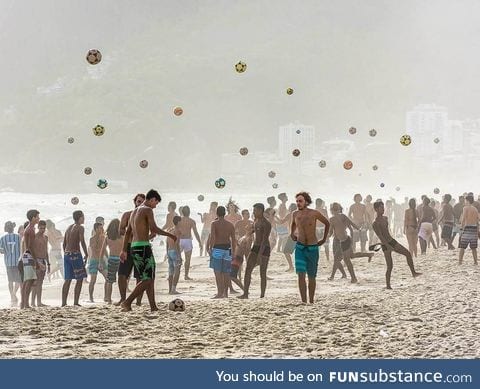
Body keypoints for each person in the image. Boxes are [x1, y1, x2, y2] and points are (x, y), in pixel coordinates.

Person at [120, 189, 177, 312]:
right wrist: (170, 235)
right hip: (143, 247)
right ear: (152, 199)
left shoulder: (134, 212)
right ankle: (127, 302)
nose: (155, 206)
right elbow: (154, 228)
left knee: (148, 277)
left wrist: (124, 250)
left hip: (134, 247)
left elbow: (128, 232)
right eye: (156, 203)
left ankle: (153, 306)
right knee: (148, 279)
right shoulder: (147, 210)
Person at [290, 192, 330, 304]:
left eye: (300, 201)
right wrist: (291, 233)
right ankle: (303, 301)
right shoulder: (295, 214)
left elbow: (327, 223)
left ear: (306, 202)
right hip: (300, 247)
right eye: (297, 201)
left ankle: (311, 300)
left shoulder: (314, 213)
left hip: (312, 247)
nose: (298, 203)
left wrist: (323, 239)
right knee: (301, 274)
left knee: (312, 276)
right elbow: (293, 224)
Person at [372, 201, 421, 289]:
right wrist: (387, 246)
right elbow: (380, 236)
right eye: (380, 208)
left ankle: (413, 272)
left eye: (383, 207)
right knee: (390, 266)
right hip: (385, 244)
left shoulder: (386, 218)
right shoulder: (375, 223)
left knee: (407, 253)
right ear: (376, 209)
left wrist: (391, 243)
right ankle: (388, 285)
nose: (383, 209)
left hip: (392, 241)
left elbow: (387, 232)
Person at [328, 203, 373, 282]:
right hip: (346, 239)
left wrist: (323, 237)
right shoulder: (343, 216)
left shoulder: (332, 219)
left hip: (342, 241)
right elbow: (353, 225)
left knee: (343, 260)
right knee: (351, 256)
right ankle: (368, 254)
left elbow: (331, 232)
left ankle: (352, 278)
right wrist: (358, 229)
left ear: (332, 210)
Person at [115, 193, 145, 306]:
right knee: (122, 274)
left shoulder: (146, 216)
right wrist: (130, 233)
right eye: (138, 201)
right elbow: (121, 230)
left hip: (140, 247)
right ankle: (123, 299)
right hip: (127, 247)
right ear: (135, 202)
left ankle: (138, 301)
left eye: (142, 202)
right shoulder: (127, 215)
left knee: (140, 276)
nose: (140, 204)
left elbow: (151, 232)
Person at [238, 203, 271, 299]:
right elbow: (254, 231)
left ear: (261, 211)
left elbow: (264, 241)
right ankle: (245, 293)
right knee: (248, 269)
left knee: (262, 272)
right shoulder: (256, 221)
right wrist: (249, 231)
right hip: (255, 247)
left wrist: (259, 256)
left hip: (264, 248)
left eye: (255, 210)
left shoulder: (266, 223)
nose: (253, 212)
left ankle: (262, 295)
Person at [208, 206, 236, 298]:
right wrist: (234, 252)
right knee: (226, 272)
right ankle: (226, 293)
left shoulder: (214, 223)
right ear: (225, 213)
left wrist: (210, 248)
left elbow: (213, 237)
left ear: (217, 213)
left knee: (218, 272)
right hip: (228, 249)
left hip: (217, 249)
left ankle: (220, 293)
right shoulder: (230, 225)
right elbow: (234, 240)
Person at [61, 210, 88, 307]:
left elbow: (64, 243)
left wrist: (66, 253)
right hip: (75, 254)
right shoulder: (80, 228)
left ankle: (64, 303)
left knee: (68, 279)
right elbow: (82, 241)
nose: (84, 218)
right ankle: (75, 302)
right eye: (83, 216)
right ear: (80, 217)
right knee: (79, 278)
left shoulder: (68, 227)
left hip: (67, 254)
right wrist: (86, 253)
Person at [20, 209, 40, 309]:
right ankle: (25, 304)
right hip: (29, 255)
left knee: (28, 280)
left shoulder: (29, 228)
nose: (39, 218)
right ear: (33, 218)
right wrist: (36, 260)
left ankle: (23, 303)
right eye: (37, 217)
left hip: (27, 255)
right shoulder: (30, 229)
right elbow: (30, 246)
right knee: (29, 280)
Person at [100, 218, 123, 304]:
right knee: (122, 279)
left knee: (110, 280)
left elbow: (102, 251)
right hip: (121, 260)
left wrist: (100, 262)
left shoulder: (107, 237)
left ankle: (108, 299)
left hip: (112, 259)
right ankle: (122, 298)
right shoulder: (122, 237)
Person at [178, 206, 202, 280]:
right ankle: (186, 275)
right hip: (188, 241)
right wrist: (200, 242)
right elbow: (196, 233)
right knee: (187, 259)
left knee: (177, 258)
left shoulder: (179, 220)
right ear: (189, 212)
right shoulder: (191, 221)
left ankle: (174, 274)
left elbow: (175, 230)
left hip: (180, 240)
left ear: (182, 212)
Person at [0, 221, 21, 306]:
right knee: (18, 280)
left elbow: (0, 250)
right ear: (13, 228)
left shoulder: (3, 238)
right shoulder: (18, 237)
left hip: (8, 262)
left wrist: (5, 251)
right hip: (17, 261)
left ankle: (12, 296)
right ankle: (14, 293)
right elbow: (22, 247)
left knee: (10, 280)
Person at [231, 209, 254, 287]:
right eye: (246, 214)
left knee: (248, 262)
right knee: (239, 262)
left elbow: (253, 234)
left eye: (248, 214)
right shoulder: (239, 222)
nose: (248, 215)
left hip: (248, 243)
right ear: (243, 215)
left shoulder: (251, 223)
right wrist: (236, 240)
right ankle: (240, 278)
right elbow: (234, 232)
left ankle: (248, 278)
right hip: (240, 243)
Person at [31, 220, 50, 307]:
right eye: (41, 228)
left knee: (40, 282)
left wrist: (48, 263)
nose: (42, 229)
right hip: (37, 260)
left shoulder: (46, 237)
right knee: (35, 282)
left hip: (43, 260)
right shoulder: (34, 237)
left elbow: (46, 251)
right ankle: (32, 302)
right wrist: (36, 262)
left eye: (44, 228)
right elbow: (32, 251)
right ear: (38, 227)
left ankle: (39, 302)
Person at [88, 222, 108, 303]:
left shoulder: (104, 238)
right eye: (100, 228)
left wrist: (108, 258)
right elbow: (95, 250)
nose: (102, 229)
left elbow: (104, 250)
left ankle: (106, 296)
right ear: (96, 229)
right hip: (94, 261)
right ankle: (91, 297)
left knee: (107, 278)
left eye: (102, 228)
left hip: (102, 260)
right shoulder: (92, 239)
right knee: (93, 280)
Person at [276, 203, 297, 272]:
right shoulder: (300, 214)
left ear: (290, 209)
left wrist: (275, 217)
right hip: (301, 235)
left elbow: (281, 222)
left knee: (286, 251)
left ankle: (291, 266)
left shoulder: (290, 214)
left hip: (293, 235)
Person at [458, 194, 479, 265]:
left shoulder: (465, 208)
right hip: (474, 228)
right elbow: (477, 220)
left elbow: (463, 218)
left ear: (467, 200)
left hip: (467, 228)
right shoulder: (475, 209)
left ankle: (460, 261)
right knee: (473, 248)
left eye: (465, 200)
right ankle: (475, 261)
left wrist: (461, 227)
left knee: (462, 246)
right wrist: (477, 231)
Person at [167, 216, 183, 294]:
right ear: (178, 222)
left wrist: (167, 252)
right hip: (175, 251)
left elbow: (167, 242)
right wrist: (179, 255)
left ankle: (170, 289)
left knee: (171, 271)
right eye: (181, 221)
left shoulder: (170, 230)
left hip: (169, 251)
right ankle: (173, 289)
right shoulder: (177, 230)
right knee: (177, 271)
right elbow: (177, 244)